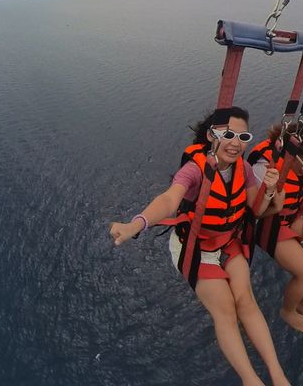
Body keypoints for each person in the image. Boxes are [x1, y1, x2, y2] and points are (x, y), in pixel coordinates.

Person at [109, 107, 292, 386]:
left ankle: (277, 375)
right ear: (211, 135)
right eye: (228, 134)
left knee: (246, 300)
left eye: (242, 136)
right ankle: (250, 380)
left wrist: (270, 191)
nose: (236, 142)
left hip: (227, 240)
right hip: (194, 247)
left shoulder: (242, 168)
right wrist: (136, 224)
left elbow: (258, 210)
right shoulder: (195, 170)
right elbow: (170, 200)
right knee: (226, 310)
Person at [248, 123, 303, 333]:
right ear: (292, 157)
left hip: (293, 219)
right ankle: (287, 311)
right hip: (270, 226)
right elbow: (254, 213)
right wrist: (271, 196)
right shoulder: (264, 169)